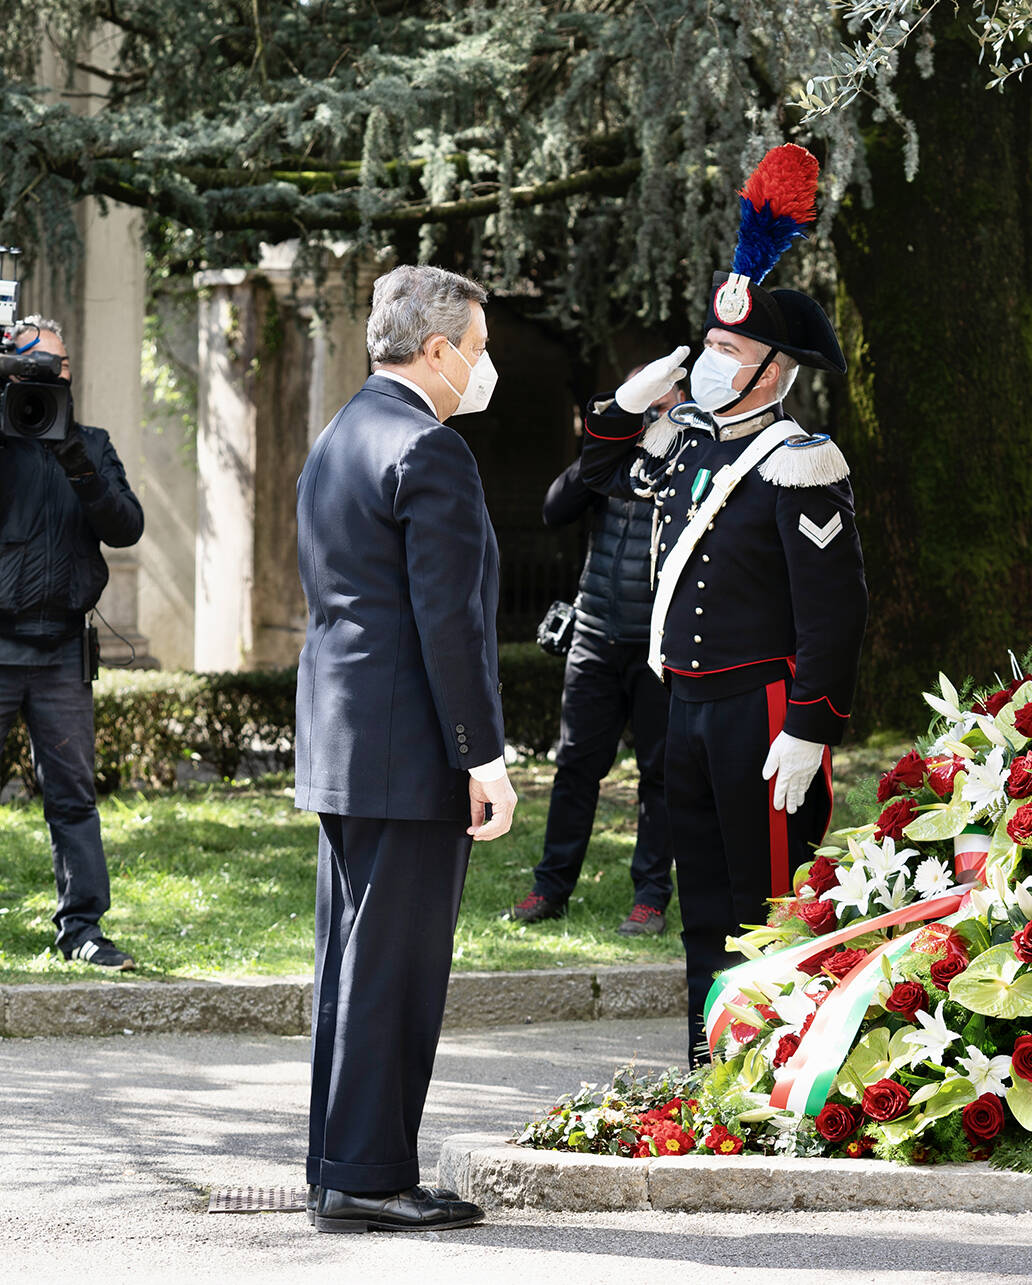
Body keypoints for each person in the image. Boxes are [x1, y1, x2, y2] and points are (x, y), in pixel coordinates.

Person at [577, 143, 868, 1063]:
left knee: (767, 901)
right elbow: (587, 478)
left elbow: (836, 611)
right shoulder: (689, 444)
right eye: (709, 345)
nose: (709, 362)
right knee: (700, 898)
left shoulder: (799, 463)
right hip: (684, 705)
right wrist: (622, 406)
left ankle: (776, 1065)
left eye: (728, 351)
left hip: (762, 712)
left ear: (773, 371)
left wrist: (812, 727)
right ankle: (712, 1064)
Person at [294, 264, 516, 1234]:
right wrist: (486, 754)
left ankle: (343, 1164)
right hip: (412, 751)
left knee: (352, 965)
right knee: (398, 969)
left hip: (344, 744)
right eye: (476, 346)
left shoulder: (340, 435)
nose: (483, 365)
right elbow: (448, 624)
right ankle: (370, 1179)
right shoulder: (432, 451)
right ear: (435, 350)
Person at [507, 378, 680, 933]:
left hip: (660, 649)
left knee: (659, 776)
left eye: (661, 405)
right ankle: (550, 889)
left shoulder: (696, 460)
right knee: (575, 768)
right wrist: (604, 442)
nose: (652, 415)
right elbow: (555, 508)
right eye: (643, 405)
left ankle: (651, 897)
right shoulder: (608, 461)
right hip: (595, 636)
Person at [0, 316, 144, 970]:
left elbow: (127, 527)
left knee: (73, 799)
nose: (51, 376)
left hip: (61, 652)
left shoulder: (91, 443)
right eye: (34, 365)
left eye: (59, 365)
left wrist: (75, 460)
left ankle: (82, 928)